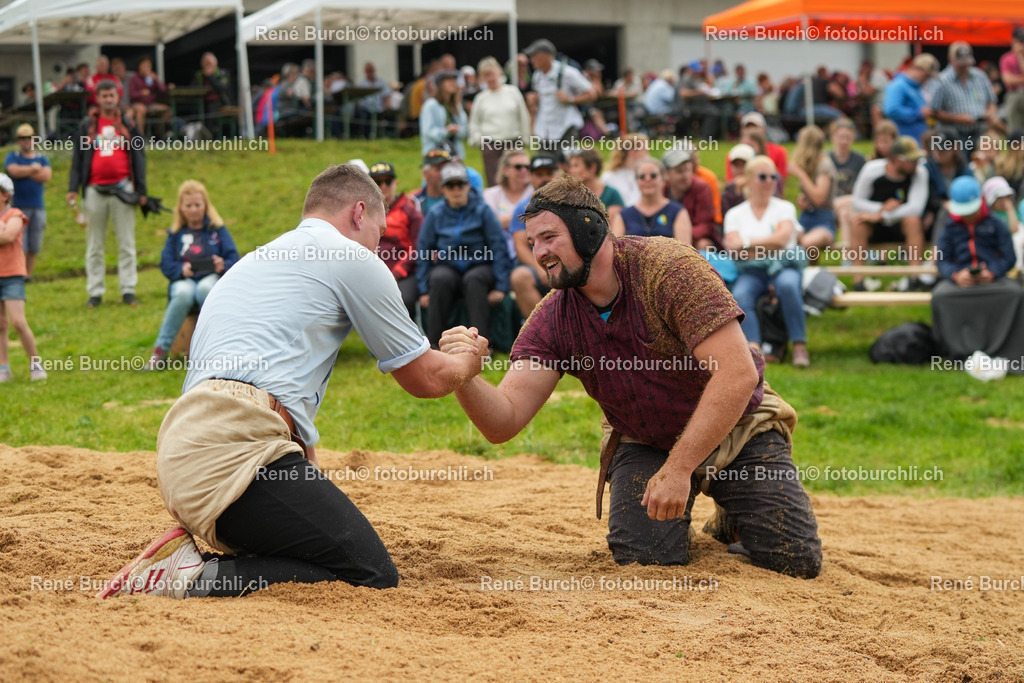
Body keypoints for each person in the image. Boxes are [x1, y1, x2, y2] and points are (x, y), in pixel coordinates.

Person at [97, 165, 488, 599]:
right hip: (235, 451)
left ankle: (196, 569)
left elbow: (263, 385)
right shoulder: (350, 256)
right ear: (359, 213)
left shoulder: (254, 263)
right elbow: (426, 378)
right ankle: (186, 577)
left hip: (186, 452)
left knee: (324, 550)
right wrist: (469, 359)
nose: (377, 248)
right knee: (370, 573)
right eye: (378, 235)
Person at [440, 174, 821, 578]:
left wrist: (678, 472)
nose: (540, 253)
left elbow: (737, 374)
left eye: (550, 237)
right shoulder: (554, 317)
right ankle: (688, 501)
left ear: (590, 230)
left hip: (736, 424)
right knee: (645, 558)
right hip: (646, 436)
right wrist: (463, 375)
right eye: (533, 242)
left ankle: (733, 511)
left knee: (793, 558)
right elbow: (504, 420)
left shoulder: (669, 269)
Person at [66, 80, 148, 308]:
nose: (108, 99)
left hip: (123, 188)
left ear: (117, 96)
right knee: (94, 245)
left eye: (111, 95)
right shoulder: (88, 125)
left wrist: (141, 190)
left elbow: (139, 157)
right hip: (94, 190)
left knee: (127, 244)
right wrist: (73, 188)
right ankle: (95, 292)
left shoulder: (128, 124)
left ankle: (128, 290)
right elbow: (77, 160)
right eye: (104, 96)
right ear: (97, 98)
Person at [723, 156, 809, 367]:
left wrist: (748, 243)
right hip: (751, 271)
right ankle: (754, 348)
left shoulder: (784, 207)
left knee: (788, 285)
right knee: (741, 294)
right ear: (750, 181)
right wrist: (766, 247)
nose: (770, 181)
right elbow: (733, 248)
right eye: (763, 176)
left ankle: (799, 345)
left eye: (774, 176)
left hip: (784, 266)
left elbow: (782, 240)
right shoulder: (735, 213)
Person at [147, 181, 239, 369]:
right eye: (188, 205)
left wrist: (222, 265)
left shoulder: (217, 230)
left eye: (198, 204)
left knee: (206, 289)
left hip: (210, 277)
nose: (194, 210)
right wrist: (181, 270)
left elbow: (234, 258)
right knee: (183, 293)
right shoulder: (175, 234)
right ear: (180, 208)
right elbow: (166, 263)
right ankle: (161, 350)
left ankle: (213, 350)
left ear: (206, 205)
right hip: (184, 279)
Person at [932, 175, 1024, 365]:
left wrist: (991, 272)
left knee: (1016, 294)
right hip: (960, 283)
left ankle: (1010, 351)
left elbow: (1009, 258)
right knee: (940, 296)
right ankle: (954, 351)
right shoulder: (949, 227)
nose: (967, 215)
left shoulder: (996, 224)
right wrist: (956, 275)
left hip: (993, 281)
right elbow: (942, 261)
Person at [416, 164, 511, 348]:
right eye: (451, 185)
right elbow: (423, 251)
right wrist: (423, 289)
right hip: (448, 266)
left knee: (474, 279)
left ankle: (482, 345)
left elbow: (498, 247)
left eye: (460, 184)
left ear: (468, 186)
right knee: (439, 278)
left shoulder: (483, 210)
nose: (456, 189)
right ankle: (435, 345)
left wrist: (501, 285)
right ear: (443, 189)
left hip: (480, 266)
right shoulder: (435, 214)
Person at [849, 136, 930, 289]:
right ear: (898, 160)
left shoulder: (920, 172)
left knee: (913, 221)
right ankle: (858, 281)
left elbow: (916, 208)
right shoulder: (872, 170)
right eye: (912, 160)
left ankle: (914, 279)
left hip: (901, 226)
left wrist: (881, 216)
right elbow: (857, 202)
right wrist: (881, 208)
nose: (917, 163)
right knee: (858, 222)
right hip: (875, 228)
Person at [0, 173, 46, 382]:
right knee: (0, 325)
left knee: (18, 322)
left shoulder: (15, 214)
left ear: (4, 195)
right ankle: (4, 368)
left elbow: (9, 236)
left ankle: (36, 365)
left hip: (12, 275)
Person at [371, 161, 423, 321]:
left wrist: (397, 273)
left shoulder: (410, 212)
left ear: (396, 183)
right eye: (378, 182)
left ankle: (410, 344)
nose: (383, 186)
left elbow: (418, 248)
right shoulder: (362, 212)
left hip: (404, 273)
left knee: (403, 299)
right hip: (371, 271)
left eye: (388, 181)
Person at [509, 155, 559, 319]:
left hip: (565, 259)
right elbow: (520, 245)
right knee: (519, 276)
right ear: (531, 177)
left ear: (557, 174)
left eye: (548, 173)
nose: (544, 178)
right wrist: (540, 269)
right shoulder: (522, 207)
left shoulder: (571, 202)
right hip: (537, 261)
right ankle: (539, 331)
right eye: (539, 174)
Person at [468, 57, 531, 186]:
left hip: (513, 142)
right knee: (494, 180)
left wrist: (526, 138)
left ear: (499, 73)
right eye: (486, 75)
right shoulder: (481, 98)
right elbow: (474, 123)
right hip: (491, 145)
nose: (490, 78)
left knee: (518, 177)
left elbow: (523, 116)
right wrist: (478, 141)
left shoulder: (512, 92)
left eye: (492, 74)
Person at [932, 42, 1003, 151]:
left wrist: (990, 112)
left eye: (967, 63)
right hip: (955, 136)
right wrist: (956, 118)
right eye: (961, 64)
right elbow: (934, 111)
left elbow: (992, 102)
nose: (965, 67)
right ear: (951, 60)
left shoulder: (980, 76)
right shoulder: (942, 80)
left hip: (980, 133)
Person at [523, 39, 595, 143]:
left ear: (545, 55)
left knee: (566, 159)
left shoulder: (568, 73)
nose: (531, 60)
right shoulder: (537, 76)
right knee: (544, 159)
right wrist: (535, 100)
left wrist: (569, 99)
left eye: (534, 56)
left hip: (566, 128)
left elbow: (592, 94)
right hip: (544, 131)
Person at [4, 124, 51, 279]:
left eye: (29, 138)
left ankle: (27, 274)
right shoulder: (13, 156)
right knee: (19, 242)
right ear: (18, 140)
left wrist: (24, 171)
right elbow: (13, 171)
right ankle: (17, 271)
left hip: (37, 206)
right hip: (18, 207)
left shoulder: (42, 158)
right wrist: (34, 169)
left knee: (34, 243)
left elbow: (46, 176)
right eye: (22, 138)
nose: (26, 141)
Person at [610, 159, 691, 243]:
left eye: (653, 175)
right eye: (642, 176)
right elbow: (616, 250)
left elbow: (685, 250)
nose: (647, 179)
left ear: (663, 179)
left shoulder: (678, 212)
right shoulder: (623, 215)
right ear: (636, 181)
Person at [789, 125, 837, 251]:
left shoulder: (824, 164)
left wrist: (801, 174)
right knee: (788, 241)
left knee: (806, 243)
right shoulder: (811, 164)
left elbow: (819, 198)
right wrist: (804, 199)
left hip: (823, 220)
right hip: (806, 217)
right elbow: (812, 195)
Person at [662, 148, 720, 251]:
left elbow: (706, 225)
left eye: (688, 170)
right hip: (665, 238)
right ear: (667, 174)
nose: (685, 175)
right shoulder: (661, 189)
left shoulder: (701, 187)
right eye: (679, 171)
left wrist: (680, 236)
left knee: (704, 244)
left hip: (692, 238)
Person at [483, 149, 533, 264]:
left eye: (527, 167)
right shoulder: (491, 194)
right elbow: (489, 224)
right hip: (496, 250)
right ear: (505, 170)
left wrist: (505, 221)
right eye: (518, 167)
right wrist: (524, 217)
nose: (524, 170)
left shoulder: (535, 192)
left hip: (528, 248)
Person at [828, 118, 866, 253]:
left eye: (847, 137)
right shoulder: (826, 159)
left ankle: (847, 258)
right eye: (841, 137)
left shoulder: (859, 160)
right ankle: (862, 251)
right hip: (832, 205)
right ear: (833, 137)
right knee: (849, 205)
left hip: (851, 206)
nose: (844, 141)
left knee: (845, 213)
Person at [883, 53, 939, 142]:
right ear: (917, 69)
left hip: (918, 138)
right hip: (904, 140)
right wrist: (918, 113)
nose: (927, 80)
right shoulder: (898, 85)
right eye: (926, 76)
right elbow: (891, 110)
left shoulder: (917, 87)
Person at [420, 70, 467, 159]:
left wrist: (457, 130)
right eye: (449, 81)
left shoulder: (456, 105)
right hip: (435, 155)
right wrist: (446, 131)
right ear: (440, 85)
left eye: (454, 81)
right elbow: (428, 131)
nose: (453, 83)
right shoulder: (431, 105)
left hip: (455, 153)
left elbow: (464, 128)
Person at [601, 133, 649, 207]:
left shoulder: (647, 176)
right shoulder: (609, 177)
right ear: (632, 151)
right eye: (644, 150)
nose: (647, 155)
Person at [128, 56, 170, 136]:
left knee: (167, 111)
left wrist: (156, 79)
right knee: (141, 110)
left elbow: (163, 89)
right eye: (144, 65)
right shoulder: (134, 78)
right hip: (138, 104)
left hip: (151, 104)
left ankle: (157, 134)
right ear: (139, 66)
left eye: (148, 65)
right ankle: (140, 137)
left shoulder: (152, 77)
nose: (147, 67)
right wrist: (141, 93)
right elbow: (132, 95)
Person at [721, 144, 755, 217]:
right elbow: (727, 216)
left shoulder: (762, 183)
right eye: (736, 165)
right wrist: (738, 192)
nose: (740, 169)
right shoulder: (729, 189)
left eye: (743, 165)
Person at [1001, 27, 1024, 132]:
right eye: (1019, 41)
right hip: (1014, 94)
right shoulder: (1006, 58)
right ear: (1013, 41)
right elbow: (1008, 80)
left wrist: (1020, 57)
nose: (1021, 45)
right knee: (1015, 130)